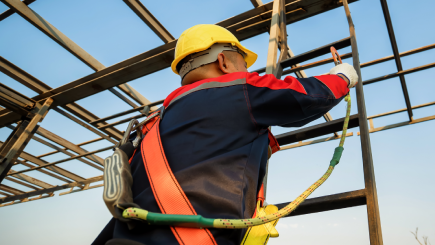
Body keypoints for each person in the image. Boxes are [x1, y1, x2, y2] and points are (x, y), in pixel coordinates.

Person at [93, 24, 358, 245]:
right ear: (223, 60)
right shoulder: (239, 89)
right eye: (243, 62)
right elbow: (309, 96)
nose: (248, 71)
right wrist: (342, 76)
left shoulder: (155, 123)